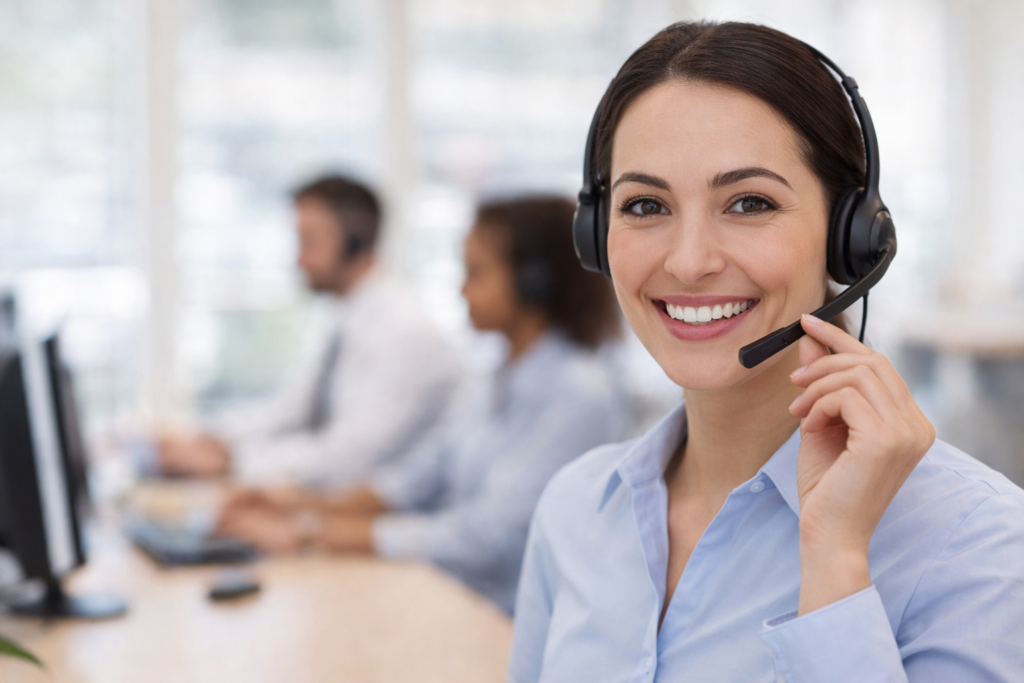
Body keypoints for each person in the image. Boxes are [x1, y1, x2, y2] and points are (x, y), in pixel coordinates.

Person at [509, 21, 1024, 683]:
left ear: (852, 237)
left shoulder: (979, 543)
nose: (690, 261)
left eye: (749, 202)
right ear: (594, 234)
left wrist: (836, 562)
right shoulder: (575, 508)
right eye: (645, 205)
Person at [216, 196, 624, 614]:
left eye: (476, 273)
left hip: (506, 625)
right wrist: (293, 503)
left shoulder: (578, 397)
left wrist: (309, 532)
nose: (461, 289)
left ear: (534, 281)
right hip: (449, 601)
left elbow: (487, 538)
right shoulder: (489, 379)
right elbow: (414, 482)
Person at [159, 175, 458, 489]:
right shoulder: (350, 318)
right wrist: (209, 438)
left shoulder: (405, 333)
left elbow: (349, 457)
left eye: (309, 241)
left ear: (355, 240)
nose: (298, 259)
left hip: (373, 516)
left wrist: (234, 461)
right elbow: (290, 410)